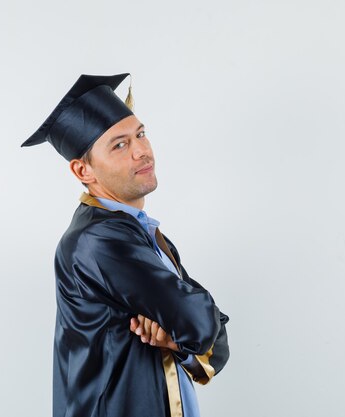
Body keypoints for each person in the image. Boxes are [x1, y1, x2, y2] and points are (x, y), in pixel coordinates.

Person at [21, 73, 230, 417]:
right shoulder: (98, 240)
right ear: (83, 171)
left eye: (141, 134)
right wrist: (186, 328)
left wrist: (176, 335)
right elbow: (200, 321)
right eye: (119, 145)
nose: (142, 151)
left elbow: (210, 341)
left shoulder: (143, 234)